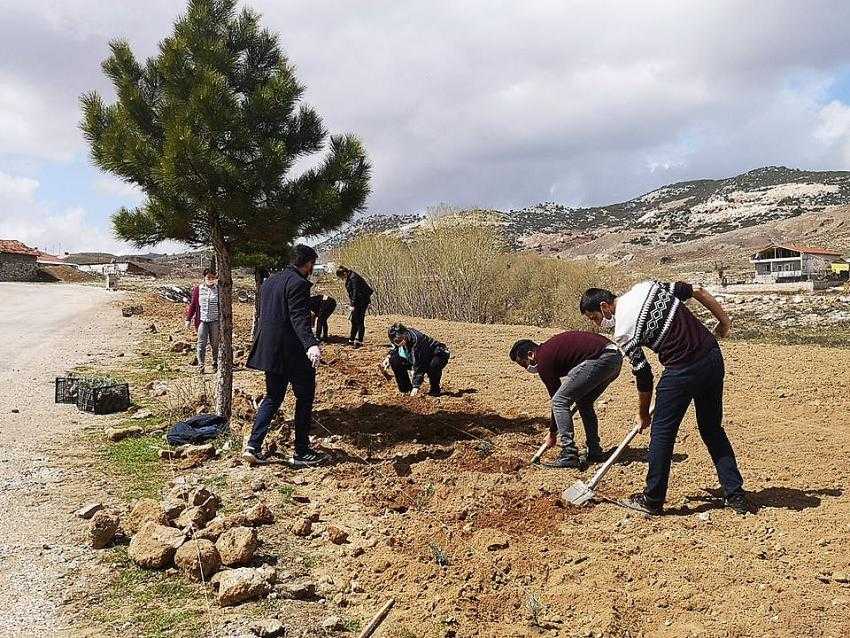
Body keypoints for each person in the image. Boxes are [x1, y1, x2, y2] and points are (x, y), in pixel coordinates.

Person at [580, 281, 748, 515]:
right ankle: (736, 495)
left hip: (680, 371)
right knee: (712, 429)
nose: (598, 324)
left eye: (595, 318)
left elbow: (643, 374)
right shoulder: (646, 287)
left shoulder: (623, 332)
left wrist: (642, 413)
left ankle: (653, 499)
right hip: (711, 357)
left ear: (605, 306)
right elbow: (697, 290)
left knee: (662, 434)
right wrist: (724, 322)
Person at [244, 245, 325, 468]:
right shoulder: (298, 284)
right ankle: (301, 452)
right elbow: (299, 318)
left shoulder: (270, 282)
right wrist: (311, 345)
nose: (312, 268)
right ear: (307, 263)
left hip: (271, 351)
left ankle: (253, 446)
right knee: (305, 397)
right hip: (292, 352)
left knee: (272, 398)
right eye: (312, 264)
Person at [509, 332, 622, 468]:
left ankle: (569, 453)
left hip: (600, 358)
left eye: (524, 364)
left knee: (559, 401)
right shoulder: (549, 351)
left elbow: (557, 399)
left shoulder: (543, 359)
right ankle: (594, 450)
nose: (527, 368)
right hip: (614, 358)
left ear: (530, 355)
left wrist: (552, 433)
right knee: (584, 402)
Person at [385, 323, 450, 397]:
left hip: (437, 354)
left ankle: (435, 389)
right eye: (396, 341)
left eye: (400, 339)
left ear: (405, 334)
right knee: (394, 360)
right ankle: (406, 389)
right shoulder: (401, 339)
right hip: (418, 357)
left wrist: (416, 386)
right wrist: (388, 357)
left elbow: (420, 364)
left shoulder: (417, 341)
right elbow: (395, 348)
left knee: (433, 366)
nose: (399, 343)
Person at [185, 268, 220, 374]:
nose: (210, 279)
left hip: (215, 320)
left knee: (215, 343)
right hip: (202, 320)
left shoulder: (218, 289)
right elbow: (193, 305)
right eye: (208, 277)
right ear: (204, 277)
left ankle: (215, 363)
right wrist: (188, 318)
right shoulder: (198, 289)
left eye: (212, 277)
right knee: (201, 343)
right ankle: (201, 365)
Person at [336, 266, 373, 347]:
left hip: (361, 302)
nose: (342, 279)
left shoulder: (353, 277)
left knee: (359, 321)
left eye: (342, 277)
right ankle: (351, 340)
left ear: (344, 273)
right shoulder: (350, 276)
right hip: (358, 301)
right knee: (354, 320)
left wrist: (352, 305)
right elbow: (352, 293)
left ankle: (359, 341)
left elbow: (355, 292)